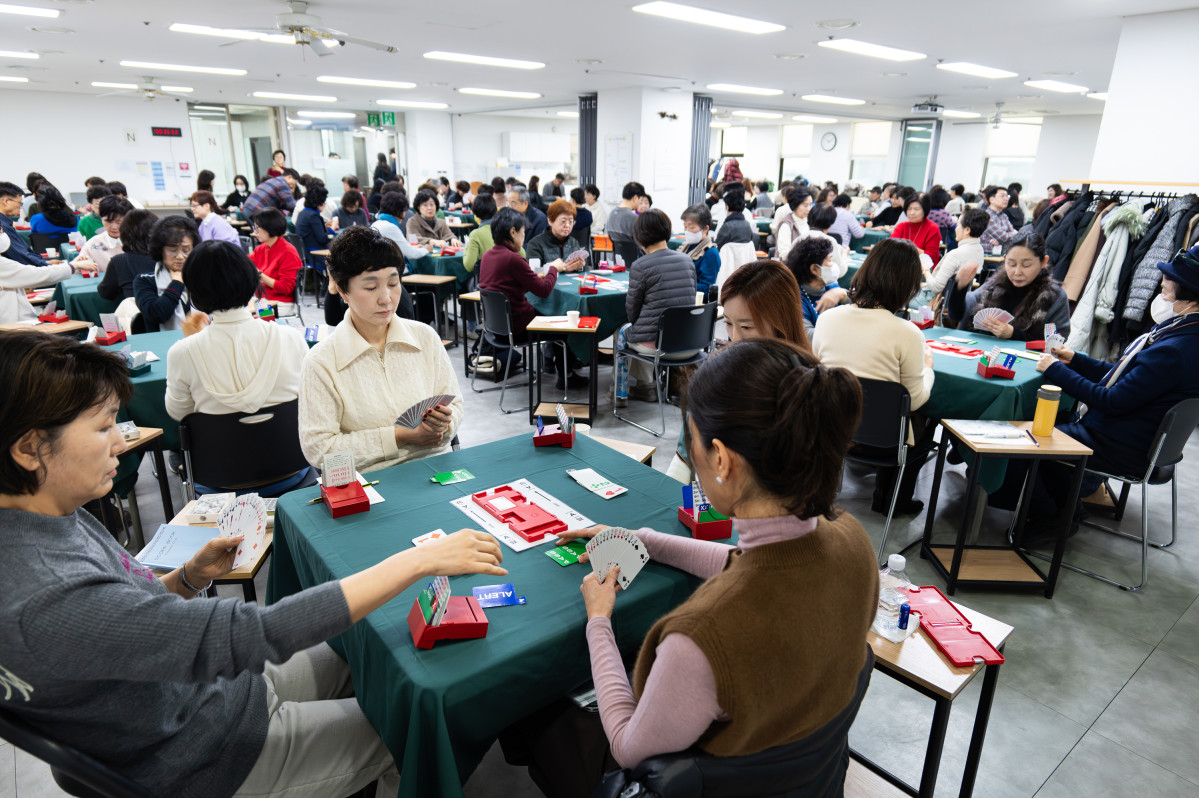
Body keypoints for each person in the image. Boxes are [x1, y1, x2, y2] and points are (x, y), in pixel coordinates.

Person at [0, 331, 507, 798]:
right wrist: (417, 561)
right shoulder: (44, 597)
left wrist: (187, 579)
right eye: (104, 426)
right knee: (421, 725)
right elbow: (251, 633)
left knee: (371, 654)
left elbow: (127, 622)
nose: (122, 441)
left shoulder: (43, 513)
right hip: (206, 755)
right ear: (29, 448)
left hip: (208, 695)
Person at [504, 339, 875, 797]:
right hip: (809, 775)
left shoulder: (702, 636)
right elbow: (753, 567)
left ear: (722, 459)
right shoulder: (853, 540)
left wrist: (599, 620)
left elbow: (627, 747)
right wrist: (644, 540)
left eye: (693, 439)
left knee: (535, 706)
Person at [1013, 247, 1199, 539]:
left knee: (1024, 438)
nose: (1162, 281)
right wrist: (1076, 360)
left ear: (1188, 289)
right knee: (1047, 427)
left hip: (1119, 444)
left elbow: (1111, 400)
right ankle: (1066, 508)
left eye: (1170, 278)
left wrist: (1055, 370)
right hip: (1140, 439)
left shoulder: (1175, 350)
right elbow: (1126, 377)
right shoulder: (1184, 333)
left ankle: (1052, 518)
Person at [300, 226, 464, 473]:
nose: (386, 298)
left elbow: (456, 404)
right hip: (370, 482)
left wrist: (442, 426)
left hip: (435, 469)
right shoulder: (322, 362)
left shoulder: (425, 338)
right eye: (370, 287)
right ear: (343, 291)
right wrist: (399, 437)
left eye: (393, 282)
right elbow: (319, 450)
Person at [813, 238, 935, 514]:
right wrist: (928, 369)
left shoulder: (828, 319)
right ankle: (893, 500)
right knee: (924, 420)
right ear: (909, 286)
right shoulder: (907, 332)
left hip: (830, 429)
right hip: (883, 441)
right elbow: (914, 400)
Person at [165, 239, 308, 420]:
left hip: (218, 446)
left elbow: (179, 414)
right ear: (250, 278)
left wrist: (191, 342)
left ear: (194, 290)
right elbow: (310, 397)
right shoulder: (291, 337)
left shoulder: (182, 352)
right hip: (289, 445)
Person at [478, 207, 586, 387]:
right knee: (565, 323)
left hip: (496, 327)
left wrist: (542, 275)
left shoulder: (489, 255)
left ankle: (556, 365)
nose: (524, 237)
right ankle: (566, 376)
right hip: (519, 326)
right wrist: (553, 269)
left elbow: (515, 281)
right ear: (513, 231)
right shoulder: (513, 259)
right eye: (522, 232)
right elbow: (543, 291)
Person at [621, 209, 699, 403]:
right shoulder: (687, 261)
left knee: (623, 332)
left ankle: (626, 391)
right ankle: (645, 384)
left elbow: (632, 314)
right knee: (648, 329)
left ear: (639, 236)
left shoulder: (641, 265)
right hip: (690, 343)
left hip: (660, 347)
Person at [949, 230, 1069, 340]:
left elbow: (1057, 344)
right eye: (1011, 264)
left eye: (1026, 265)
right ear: (1005, 259)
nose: (1017, 272)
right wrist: (960, 288)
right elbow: (957, 315)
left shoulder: (1054, 296)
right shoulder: (994, 285)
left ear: (1044, 262)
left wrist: (1014, 334)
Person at [133, 216, 199, 333]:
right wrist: (176, 284)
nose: (180, 256)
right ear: (160, 250)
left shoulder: (202, 278)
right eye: (172, 250)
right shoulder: (145, 281)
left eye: (186, 250)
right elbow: (156, 315)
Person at [918, 207, 988, 307]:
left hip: (936, 302)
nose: (955, 228)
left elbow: (936, 287)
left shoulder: (955, 254)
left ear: (967, 230)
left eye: (958, 224)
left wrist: (926, 271)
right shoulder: (979, 250)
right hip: (958, 303)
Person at [0, 231, 75, 323]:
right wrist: (73, 267)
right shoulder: (2, 263)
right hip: (14, 324)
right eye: (0, 232)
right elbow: (34, 275)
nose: (3, 234)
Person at [785, 235, 849, 336]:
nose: (834, 265)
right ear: (815, 269)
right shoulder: (795, 298)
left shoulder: (830, 286)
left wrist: (843, 294)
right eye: (830, 260)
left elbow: (857, 306)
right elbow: (809, 337)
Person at [248, 208, 302, 316]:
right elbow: (245, 262)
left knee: (247, 317)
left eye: (258, 228)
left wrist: (260, 275)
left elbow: (286, 288)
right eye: (255, 228)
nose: (255, 232)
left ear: (270, 228)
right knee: (231, 310)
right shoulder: (262, 248)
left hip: (280, 303)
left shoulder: (288, 252)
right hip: (262, 300)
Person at [98, 209, 156, 301]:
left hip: (137, 313)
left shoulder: (119, 261)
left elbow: (106, 293)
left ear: (124, 233)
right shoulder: (167, 258)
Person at [72, 195, 133, 272]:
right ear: (101, 219)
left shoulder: (138, 241)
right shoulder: (93, 244)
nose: (114, 227)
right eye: (108, 221)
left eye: (119, 222)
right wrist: (80, 264)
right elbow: (76, 271)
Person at [372, 192, 432, 267]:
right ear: (398, 211)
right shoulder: (391, 227)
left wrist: (410, 247)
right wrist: (426, 249)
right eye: (404, 211)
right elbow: (411, 254)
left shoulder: (377, 223)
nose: (404, 215)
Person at [462, 192, 516, 273]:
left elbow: (469, 266)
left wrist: (466, 249)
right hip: (510, 278)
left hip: (488, 281)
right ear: (495, 209)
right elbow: (522, 254)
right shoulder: (506, 229)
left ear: (475, 213)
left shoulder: (476, 234)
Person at [526, 199, 585, 269]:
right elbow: (534, 272)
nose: (567, 225)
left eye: (571, 221)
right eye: (563, 221)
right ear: (550, 221)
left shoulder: (574, 243)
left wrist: (580, 267)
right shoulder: (535, 244)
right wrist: (556, 268)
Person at [0, 181, 48, 266]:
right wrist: (46, 265)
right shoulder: (3, 227)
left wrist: (44, 262)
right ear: (6, 201)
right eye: (19, 202)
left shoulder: (5, 223)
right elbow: (21, 258)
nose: (21, 206)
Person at [678, 204, 720, 299]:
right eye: (685, 227)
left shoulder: (710, 253)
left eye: (691, 228)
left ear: (705, 229)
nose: (687, 231)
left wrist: (680, 286)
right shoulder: (686, 246)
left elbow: (706, 288)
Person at [890, 195, 942, 267]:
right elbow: (891, 247)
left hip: (922, 269)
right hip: (899, 266)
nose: (912, 213)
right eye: (909, 209)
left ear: (925, 210)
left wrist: (908, 248)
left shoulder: (932, 228)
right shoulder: (901, 226)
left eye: (916, 209)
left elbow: (931, 256)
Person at [295, 182, 330, 271]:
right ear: (320, 203)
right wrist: (332, 228)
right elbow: (322, 239)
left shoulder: (303, 213)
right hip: (316, 257)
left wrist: (324, 227)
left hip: (306, 256)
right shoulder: (313, 216)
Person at [807, 204, 850, 277]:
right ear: (831, 222)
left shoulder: (800, 237)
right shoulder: (830, 241)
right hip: (822, 284)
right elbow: (840, 272)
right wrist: (844, 254)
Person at [774, 189, 813, 262]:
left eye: (811, 204)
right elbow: (784, 255)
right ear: (795, 205)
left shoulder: (810, 222)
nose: (809, 208)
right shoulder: (787, 225)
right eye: (805, 205)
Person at [979, 185, 1017, 254]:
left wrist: (1000, 241)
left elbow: (1014, 236)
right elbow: (1004, 237)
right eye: (1002, 196)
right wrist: (1012, 234)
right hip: (988, 256)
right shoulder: (987, 216)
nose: (1006, 199)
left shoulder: (1004, 216)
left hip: (1000, 255)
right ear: (992, 199)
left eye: (1007, 196)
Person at [606, 181, 645, 249]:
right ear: (635, 198)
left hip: (618, 258)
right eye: (641, 200)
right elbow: (641, 245)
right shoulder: (635, 218)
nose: (640, 203)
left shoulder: (611, 214)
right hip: (636, 258)